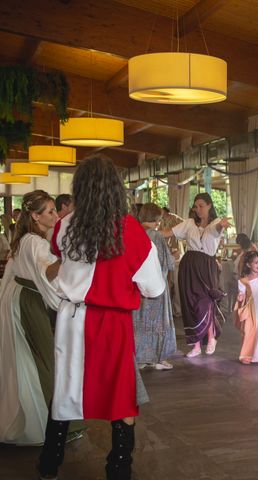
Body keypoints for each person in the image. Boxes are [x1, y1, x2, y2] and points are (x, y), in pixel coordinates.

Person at [37, 154, 165, 480]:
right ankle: (118, 469)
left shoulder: (66, 225)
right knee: (120, 397)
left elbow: (57, 261)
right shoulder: (130, 230)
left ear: (80, 188)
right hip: (112, 323)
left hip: (69, 319)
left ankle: (48, 465)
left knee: (65, 390)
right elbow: (154, 287)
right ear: (115, 189)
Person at [0, 190, 60, 445]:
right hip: (29, 300)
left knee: (31, 356)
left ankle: (41, 415)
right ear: (35, 216)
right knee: (43, 356)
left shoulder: (27, 237)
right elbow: (47, 273)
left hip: (22, 296)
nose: (56, 215)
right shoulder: (35, 242)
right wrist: (71, 256)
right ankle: (51, 421)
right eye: (50, 211)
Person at [164, 193, 230, 358]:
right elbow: (168, 233)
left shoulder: (215, 223)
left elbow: (217, 229)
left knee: (205, 301)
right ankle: (195, 345)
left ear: (209, 205)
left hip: (206, 266)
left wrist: (222, 225)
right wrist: (147, 231)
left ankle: (211, 337)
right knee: (190, 303)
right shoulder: (188, 224)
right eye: (196, 206)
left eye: (202, 205)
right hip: (189, 265)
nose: (198, 209)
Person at [133, 203, 177, 371]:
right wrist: (174, 256)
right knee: (159, 322)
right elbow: (166, 263)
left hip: (138, 285)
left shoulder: (135, 232)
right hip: (156, 284)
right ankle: (159, 357)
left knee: (141, 322)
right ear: (156, 218)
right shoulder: (156, 236)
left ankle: (141, 358)